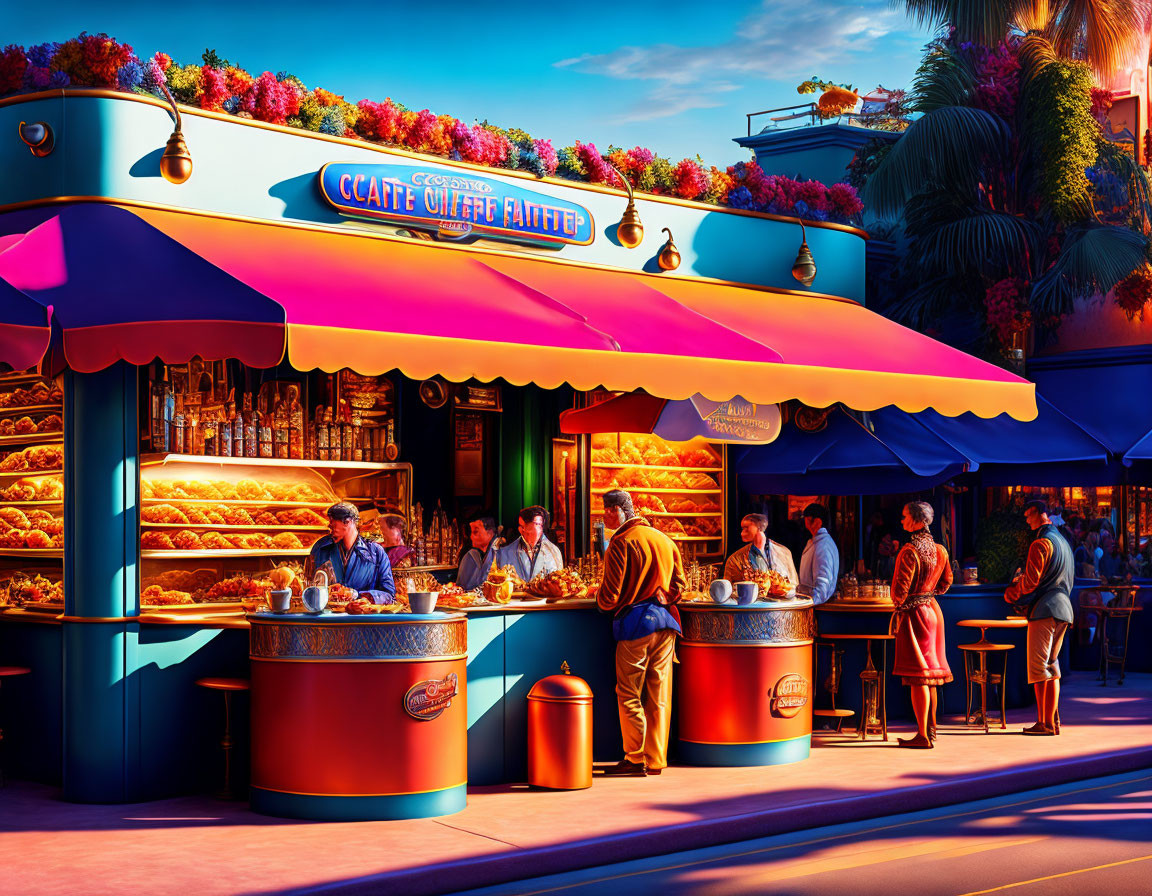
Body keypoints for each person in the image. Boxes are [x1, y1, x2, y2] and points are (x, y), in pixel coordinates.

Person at [596, 489, 686, 777]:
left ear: (621, 510)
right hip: (667, 626)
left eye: (608, 510)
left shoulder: (621, 543)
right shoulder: (665, 540)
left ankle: (634, 757)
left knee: (629, 692)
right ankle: (657, 759)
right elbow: (679, 587)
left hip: (635, 626)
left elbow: (609, 597)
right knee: (660, 694)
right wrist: (662, 598)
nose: (605, 515)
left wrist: (598, 598)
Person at [1004, 499, 1074, 736]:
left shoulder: (1041, 543)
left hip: (1044, 609)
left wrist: (1012, 592)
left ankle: (1044, 723)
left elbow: (1030, 582)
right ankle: (1051, 721)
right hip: (1064, 608)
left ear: (1040, 514)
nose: (1026, 519)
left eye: (1028, 515)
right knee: (1052, 666)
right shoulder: (1064, 542)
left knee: (1039, 668)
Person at [890, 501, 952, 749]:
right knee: (930, 677)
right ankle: (931, 731)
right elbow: (946, 582)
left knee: (919, 677)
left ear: (917, 521)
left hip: (916, 614)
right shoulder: (941, 550)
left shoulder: (909, 551)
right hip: (933, 612)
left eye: (905, 517)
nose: (902, 521)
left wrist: (902, 602)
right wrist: (928, 594)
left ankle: (922, 735)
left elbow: (899, 592)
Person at [305, 502, 396, 603]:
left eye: (333, 521)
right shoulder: (320, 548)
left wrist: (357, 595)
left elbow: (389, 595)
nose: (329, 525)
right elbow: (308, 588)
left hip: (362, 616)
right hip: (327, 616)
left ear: (348, 522)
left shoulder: (376, 553)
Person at [723, 513, 798, 586]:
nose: (742, 533)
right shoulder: (735, 559)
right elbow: (727, 588)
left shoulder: (783, 552)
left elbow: (793, 584)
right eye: (743, 528)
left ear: (759, 528)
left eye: (746, 528)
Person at [495, 505, 564, 582]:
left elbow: (559, 583)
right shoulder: (504, 554)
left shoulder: (554, 552)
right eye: (536, 525)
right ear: (521, 529)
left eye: (540, 525)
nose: (539, 530)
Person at [798, 502, 839, 605]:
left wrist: (809, 603)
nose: (805, 524)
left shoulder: (823, 546)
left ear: (817, 521)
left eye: (807, 520)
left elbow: (823, 584)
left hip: (816, 607)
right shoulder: (817, 542)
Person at [457, 514, 503, 590]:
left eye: (475, 532)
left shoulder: (496, 551)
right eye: (471, 532)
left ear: (490, 533)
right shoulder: (475, 554)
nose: (471, 537)